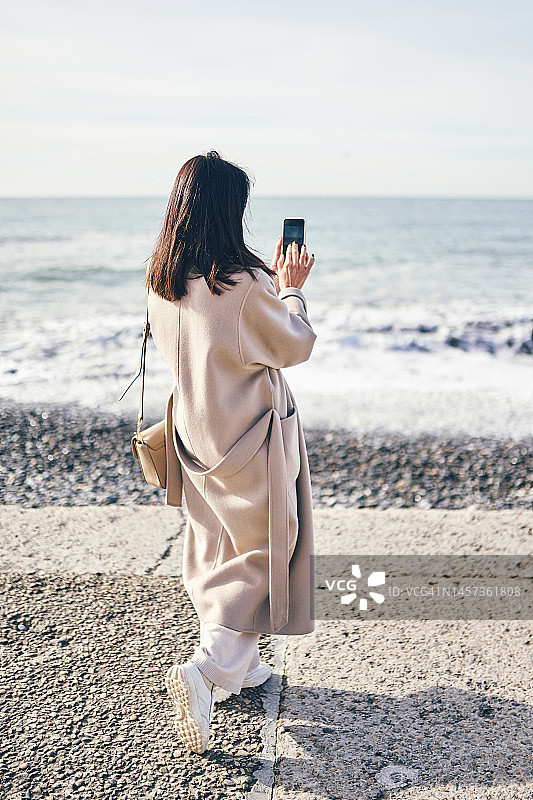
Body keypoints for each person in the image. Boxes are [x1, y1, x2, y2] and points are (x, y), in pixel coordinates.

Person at [145, 150, 317, 754]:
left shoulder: (162, 281)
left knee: (219, 545)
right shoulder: (241, 282)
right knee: (266, 547)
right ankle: (211, 669)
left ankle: (241, 667)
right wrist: (290, 290)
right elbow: (291, 345)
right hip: (247, 436)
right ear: (229, 210)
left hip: (194, 434)